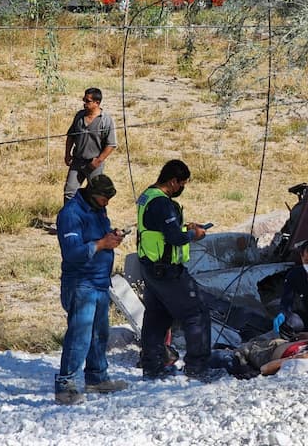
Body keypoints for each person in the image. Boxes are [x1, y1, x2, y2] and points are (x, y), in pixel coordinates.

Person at [136, 159, 213, 380]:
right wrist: (193, 235)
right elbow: (174, 238)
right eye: (182, 184)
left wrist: (183, 226)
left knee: (156, 317)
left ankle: (152, 366)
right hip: (167, 271)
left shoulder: (147, 195)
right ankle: (197, 367)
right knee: (196, 312)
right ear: (172, 181)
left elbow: (159, 229)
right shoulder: (162, 203)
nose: (182, 189)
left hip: (150, 268)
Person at [55, 174, 127, 405]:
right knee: (80, 336)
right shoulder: (71, 214)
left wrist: (111, 238)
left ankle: (97, 378)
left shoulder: (98, 209)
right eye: (104, 198)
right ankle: (65, 387)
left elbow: (98, 238)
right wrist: (101, 244)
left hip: (100, 283)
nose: (107, 203)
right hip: (81, 283)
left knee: (99, 335)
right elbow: (73, 253)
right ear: (91, 193)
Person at [63, 87, 117, 203]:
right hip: (77, 162)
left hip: (94, 164)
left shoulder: (106, 120)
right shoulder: (79, 116)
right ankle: (69, 219)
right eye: (84, 99)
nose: (84, 103)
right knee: (69, 193)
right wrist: (67, 155)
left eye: (87, 101)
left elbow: (111, 144)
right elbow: (71, 136)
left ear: (97, 103)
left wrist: (98, 161)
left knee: (96, 196)